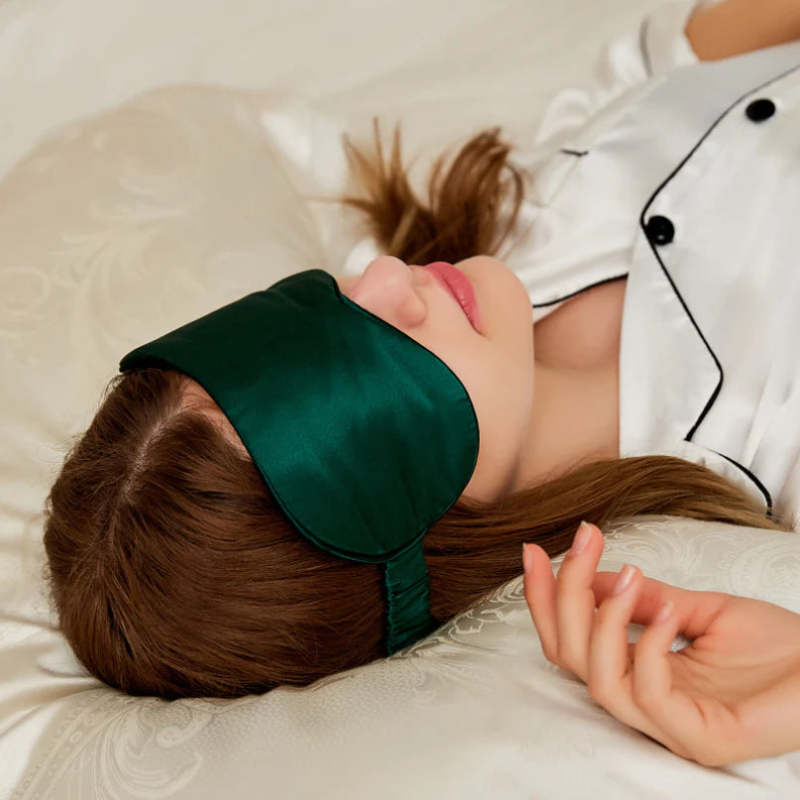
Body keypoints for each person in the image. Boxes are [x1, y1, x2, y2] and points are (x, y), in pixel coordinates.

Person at [41, 0, 800, 766]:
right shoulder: (772, 432)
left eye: (312, 310)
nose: (382, 276)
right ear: (423, 541)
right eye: (360, 372)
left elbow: (666, 59)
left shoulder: (525, 225)